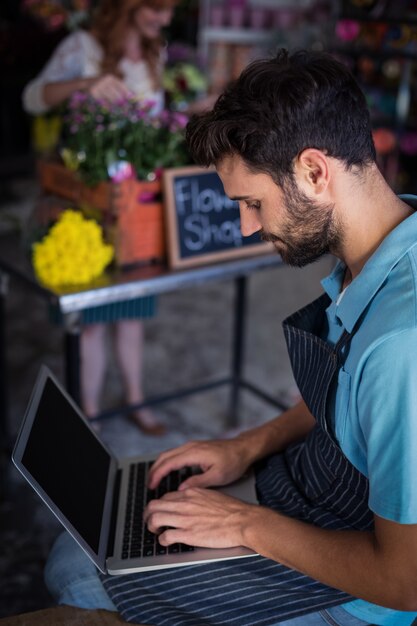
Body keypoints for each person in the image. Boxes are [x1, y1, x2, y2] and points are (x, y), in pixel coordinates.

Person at [43, 49, 417, 626]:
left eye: (252, 203)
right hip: (309, 495)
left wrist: (243, 523)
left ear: (315, 172)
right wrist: (245, 447)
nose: (247, 227)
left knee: (77, 573)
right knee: (91, 537)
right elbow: (350, 395)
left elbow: (405, 581)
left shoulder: (403, 346)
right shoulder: (387, 251)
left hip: (354, 599)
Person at [23, 0, 185, 435]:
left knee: (132, 307)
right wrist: (87, 83)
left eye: (170, 11)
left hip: (134, 201)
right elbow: (32, 99)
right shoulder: (81, 46)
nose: (164, 20)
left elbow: (150, 123)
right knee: (92, 320)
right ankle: (88, 414)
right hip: (88, 197)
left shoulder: (156, 50)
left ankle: (135, 398)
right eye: (157, 9)